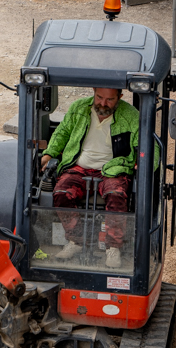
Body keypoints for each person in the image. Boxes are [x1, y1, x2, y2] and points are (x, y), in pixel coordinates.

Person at [40, 87, 138, 269]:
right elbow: (62, 133)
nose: (103, 103)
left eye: (109, 100)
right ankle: (76, 241)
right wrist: (48, 154)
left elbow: (145, 144)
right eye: (99, 97)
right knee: (61, 192)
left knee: (116, 195)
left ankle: (113, 247)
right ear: (93, 92)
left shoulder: (131, 116)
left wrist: (145, 161)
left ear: (120, 97)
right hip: (79, 167)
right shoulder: (79, 108)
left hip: (112, 169)